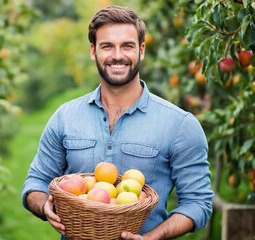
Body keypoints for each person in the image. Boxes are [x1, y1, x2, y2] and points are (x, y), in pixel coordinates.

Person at [21, 5, 214, 240]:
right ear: (93, 51)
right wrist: (45, 207)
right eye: (107, 46)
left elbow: (198, 202)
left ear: (141, 50)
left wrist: (153, 237)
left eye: (127, 46)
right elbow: (36, 182)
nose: (117, 55)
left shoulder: (180, 125)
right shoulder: (66, 116)